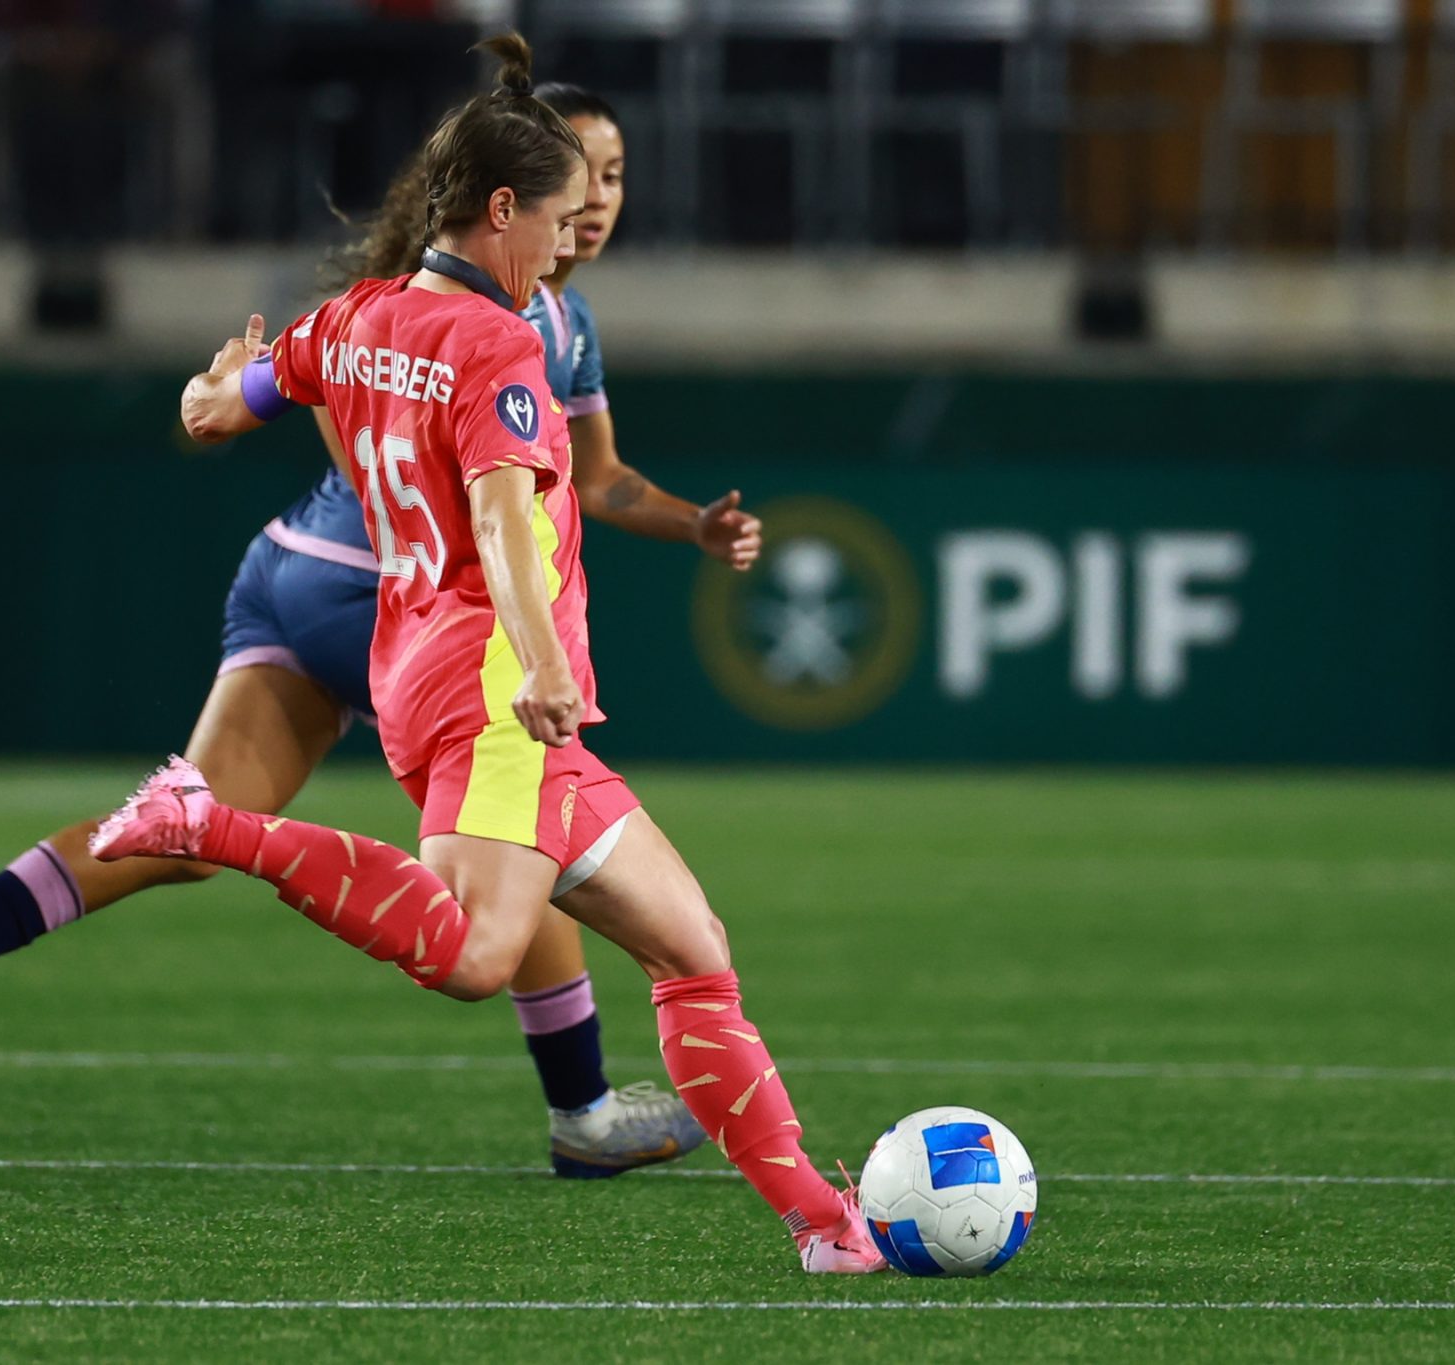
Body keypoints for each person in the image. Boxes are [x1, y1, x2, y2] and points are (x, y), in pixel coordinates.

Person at [0, 76, 758, 1182]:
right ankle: (580, 1108)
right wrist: (520, 639)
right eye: (581, 175)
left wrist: (689, 526)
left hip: (288, 569)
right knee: (530, 826)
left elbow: (592, 476)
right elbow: (452, 500)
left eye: (613, 178)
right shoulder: (501, 323)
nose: (598, 202)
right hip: (387, 602)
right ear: (507, 192)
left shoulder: (457, 310)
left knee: (196, 824)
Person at [84, 33, 885, 1273]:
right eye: (560, 216)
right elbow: (510, 517)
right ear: (500, 208)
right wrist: (543, 660)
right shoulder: (502, 346)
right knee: (473, 956)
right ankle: (203, 820)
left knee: (694, 952)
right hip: (493, 685)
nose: (572, 239)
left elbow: (207, 411)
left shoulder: (346, 318)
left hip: (420, 665)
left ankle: (827, 1232)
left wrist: (215, 382)